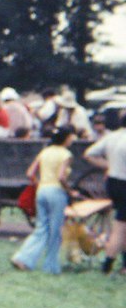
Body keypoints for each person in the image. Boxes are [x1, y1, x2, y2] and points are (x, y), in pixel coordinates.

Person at [11, 126, 79, 274]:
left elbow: (30, 172)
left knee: (41, 228)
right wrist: (70, 191)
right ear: (66, 138)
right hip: (56, 192)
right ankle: (51, 266)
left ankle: (23, 257)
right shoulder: (66, 154)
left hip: (42, 190)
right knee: (55, 231)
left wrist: (39, 182)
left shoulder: (45, 151)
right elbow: (61, 177)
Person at [84, 110, 126, 275]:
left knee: (122, 223)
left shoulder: (111, 137)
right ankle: (107, 263)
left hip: (113, 182)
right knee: (120, 226)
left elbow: (89, 154)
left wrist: (108, 165)